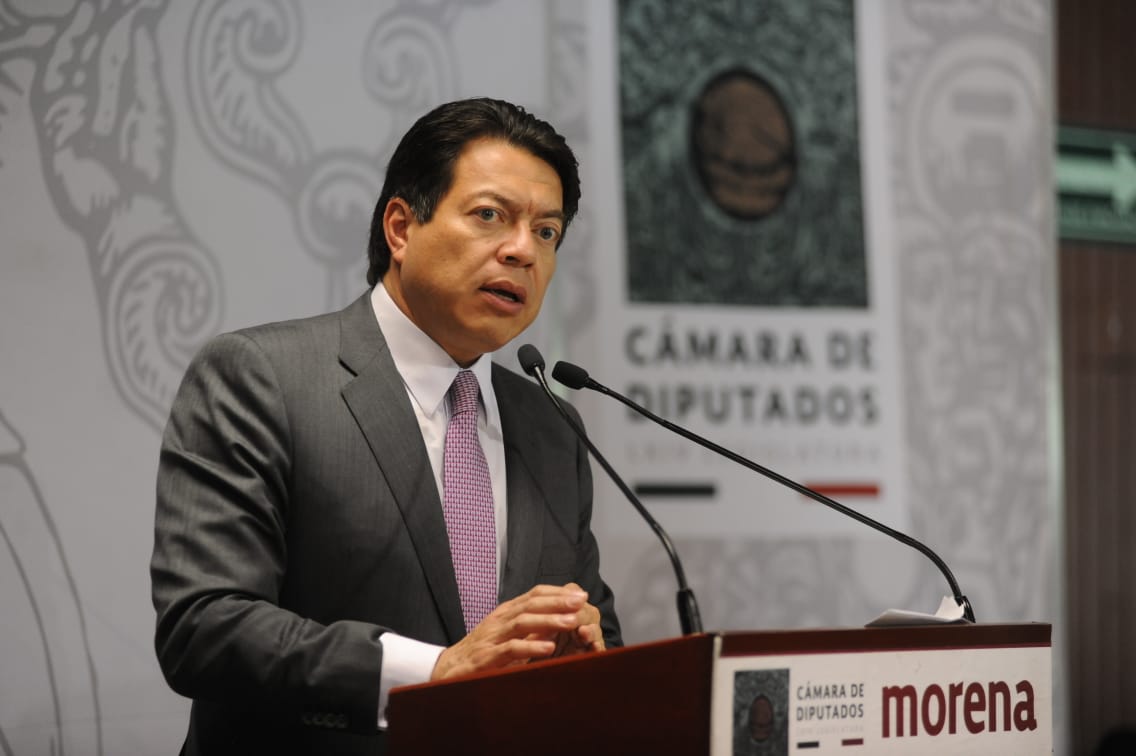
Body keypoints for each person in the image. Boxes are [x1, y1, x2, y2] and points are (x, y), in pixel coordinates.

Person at [150, 97, 621, 756]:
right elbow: (204, 627)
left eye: (546, 231)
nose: (522, 250)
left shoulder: (551, 425)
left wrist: (588, 660)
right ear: (401, 228)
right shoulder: (263, 377)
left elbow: (596, 633)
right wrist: (433, 673)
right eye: (490, 215)